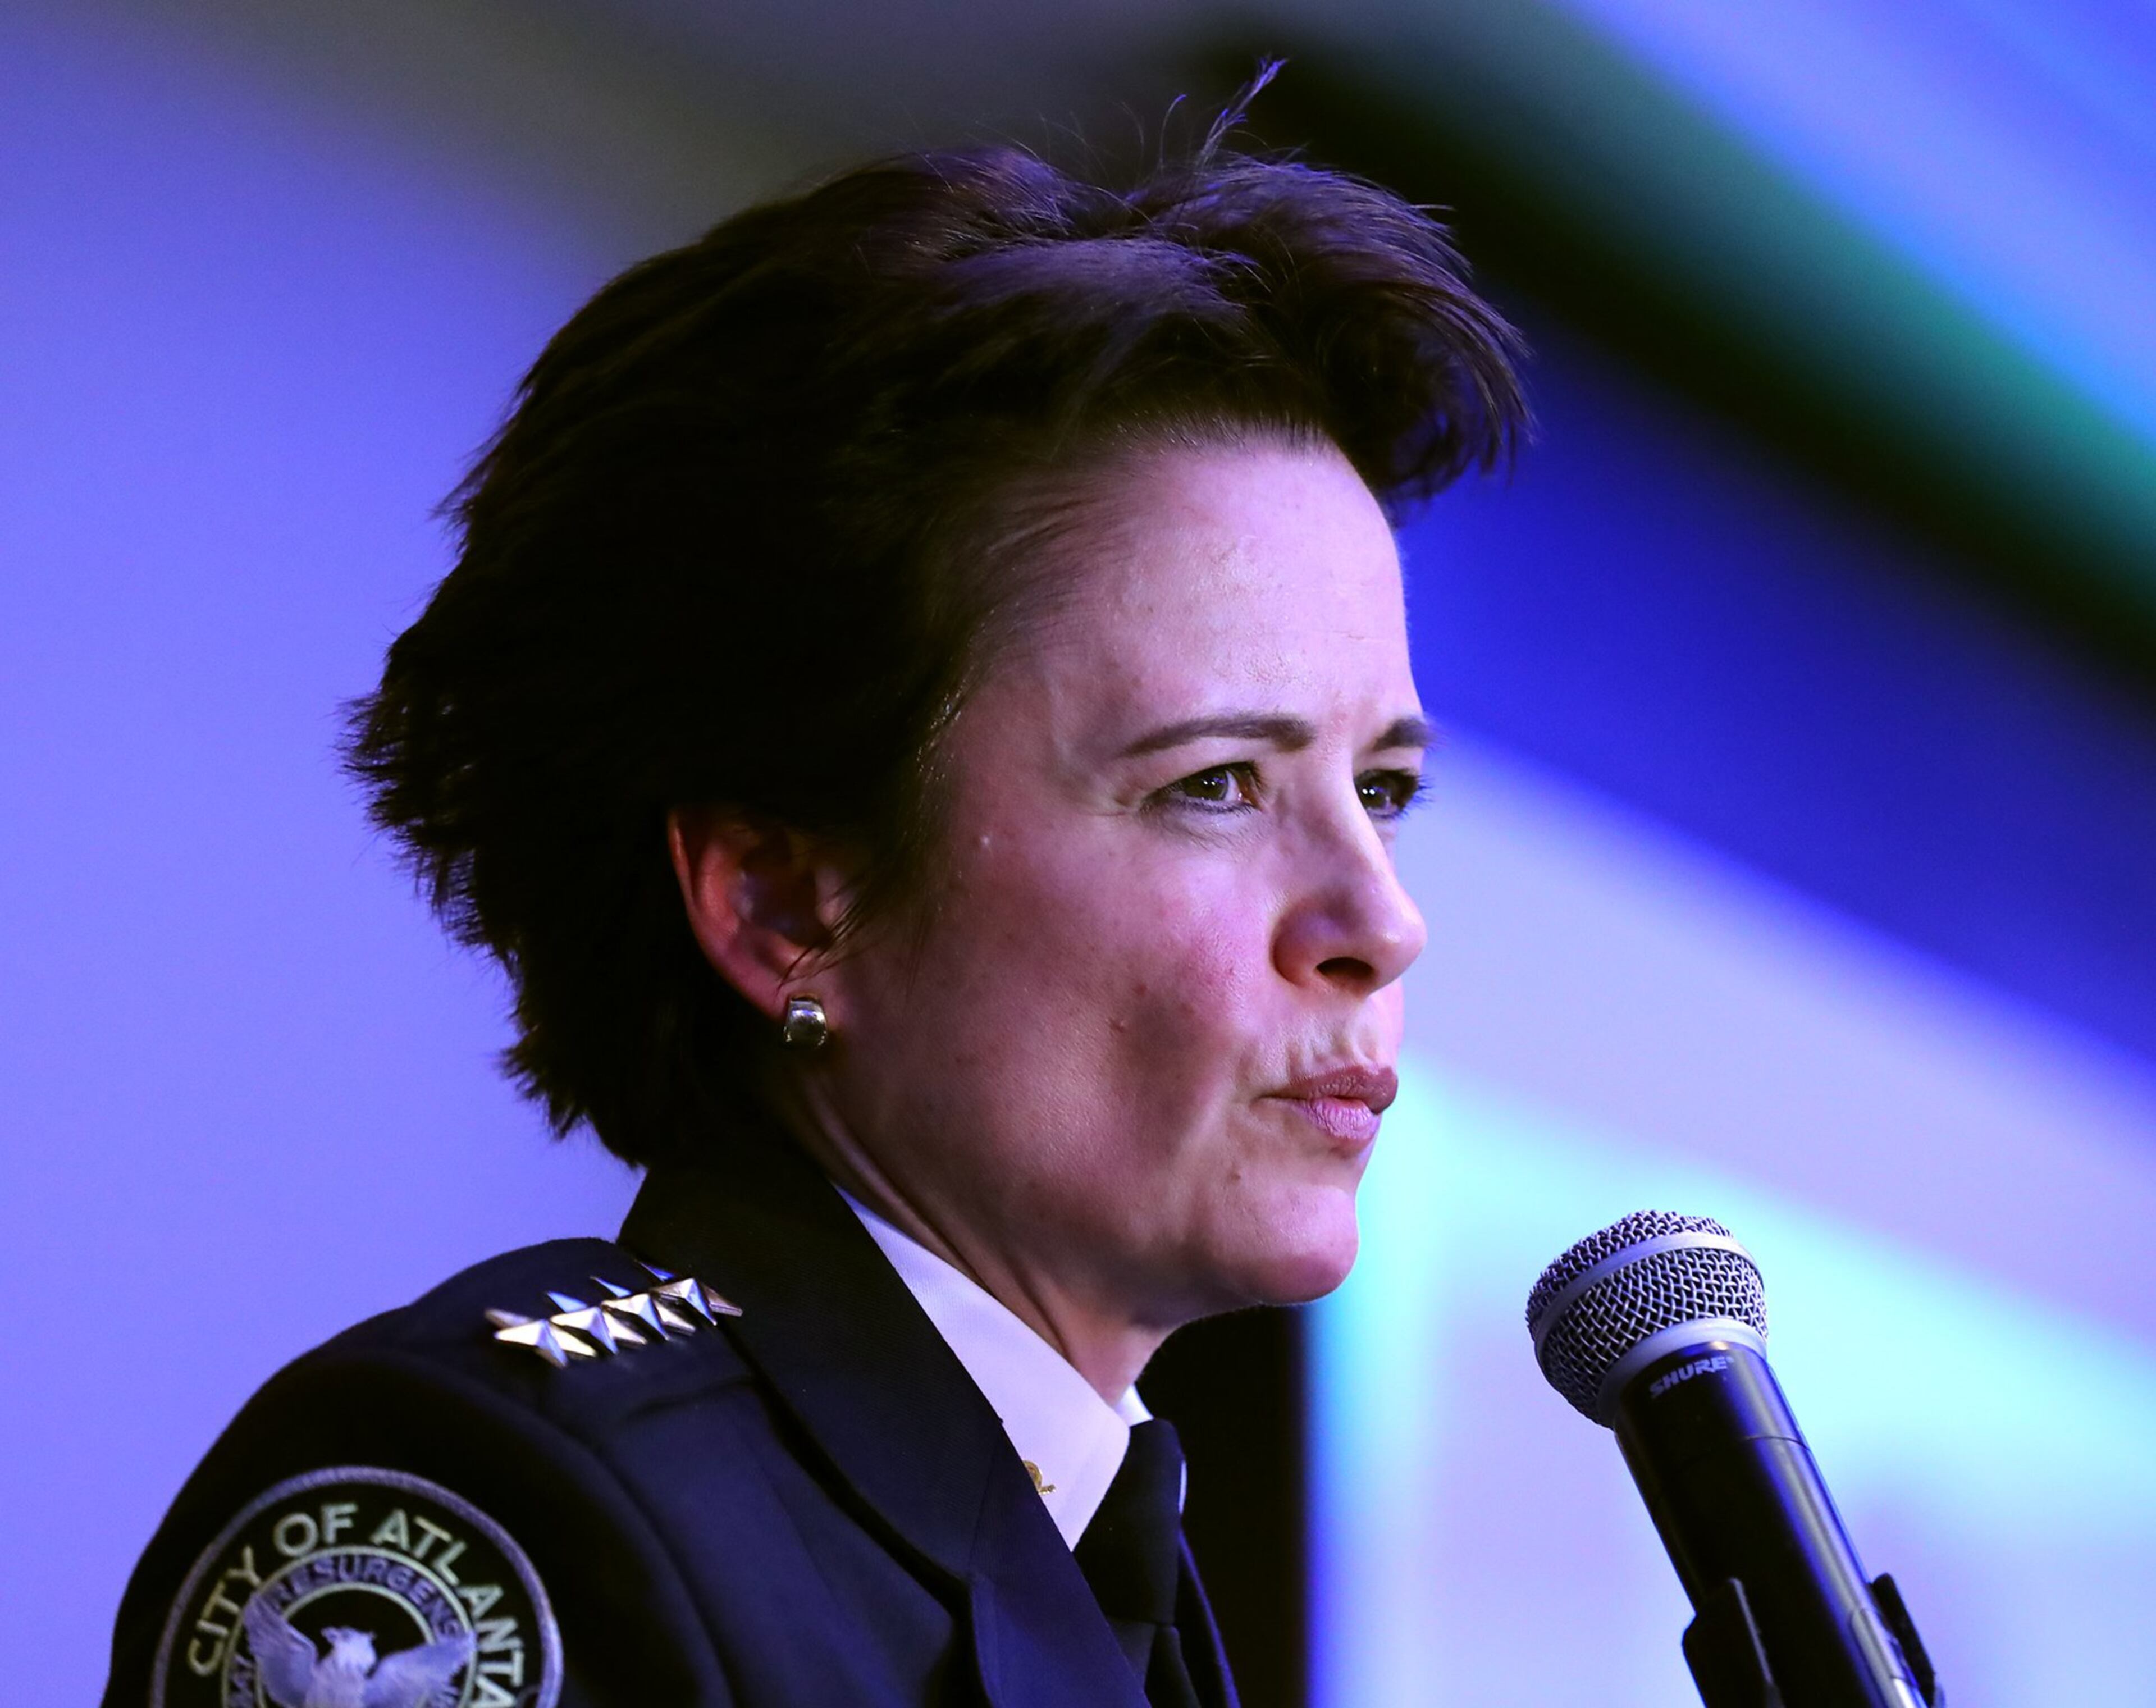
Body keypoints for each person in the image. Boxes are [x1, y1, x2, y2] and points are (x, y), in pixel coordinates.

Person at [103, 107, 1524, 1707]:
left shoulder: (1109, 1555)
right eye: (1214, 784)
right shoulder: (502, 1510)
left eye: (1382, 790)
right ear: (784, 905)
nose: (1378, 920)